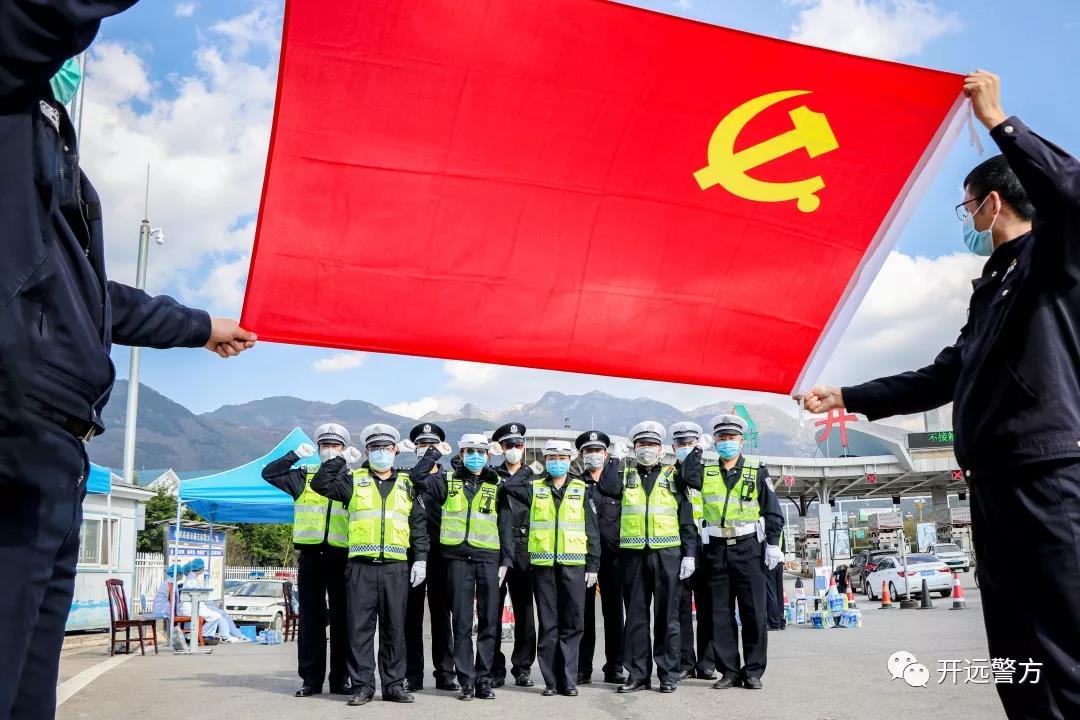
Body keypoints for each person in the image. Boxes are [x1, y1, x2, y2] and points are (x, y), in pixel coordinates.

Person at [796, 70, 1080, 719]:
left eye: (966, 207)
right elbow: (939, 376)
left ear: (992, 204)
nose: (967, 221)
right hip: (994, 485)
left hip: (1046, 476)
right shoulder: (991, 290)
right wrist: (846, 395)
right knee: (1016, 649)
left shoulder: (1051, 261)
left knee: (1063, 638)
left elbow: (1071, 193)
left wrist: (1000, 123)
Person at [0, 6, 257, 718]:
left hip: (56, 447)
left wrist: (201, 326)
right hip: (13, 432)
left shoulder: (51, 186)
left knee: (27, 691)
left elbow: (98, 297)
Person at [311, 424, 428, 706]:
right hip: (360, 568)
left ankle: (393, 685)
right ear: (366, 452)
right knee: (359, 630)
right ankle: (362, 686)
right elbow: (320, 484)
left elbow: (418, 526)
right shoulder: (353, 479)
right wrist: (340, 459)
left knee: (394, 630)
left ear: (395, 450)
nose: (380, 453)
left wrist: (421, 560)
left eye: (386, 448)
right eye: (375, 448)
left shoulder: (408, 483)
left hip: (395, 567)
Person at [599, 421, 700, 694]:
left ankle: (668, 673)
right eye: (642, 444)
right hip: (633, 556)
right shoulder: (625, 475)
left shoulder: (673, 476)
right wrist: (615, 457)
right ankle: (638, 674)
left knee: (668, 617)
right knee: (636, 618)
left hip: (667, 554)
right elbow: (606, 487)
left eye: (652, 445)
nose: (647, 449)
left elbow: (686, 519)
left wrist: (689, 555)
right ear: (634, 448)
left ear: (661, 449)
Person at [412, 434, 512, 701]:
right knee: (462, 622)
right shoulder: (447, 481)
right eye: (470, 452)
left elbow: (505, 524)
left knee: (489, 621)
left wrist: (506, 560)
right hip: (456, 559)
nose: (475, 457)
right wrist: (434, 453)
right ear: (461, 454)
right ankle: (466, 680)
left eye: (480, 452)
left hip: (488, 558)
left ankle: (484, 680)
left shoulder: (497, 483)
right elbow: (417, 477)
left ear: (488, 455)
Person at [501, 440, 601, 697]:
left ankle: (568, 679)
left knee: (573, 623)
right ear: (545, 460)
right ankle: (551, 681)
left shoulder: (581, 488)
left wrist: (593, 565)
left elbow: (592, 529)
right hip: (543, 566)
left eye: (562, 458)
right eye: (552, 458)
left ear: (570, 460)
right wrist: (528, 468)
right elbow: (509, 486)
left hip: (574, 565)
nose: (557, 462)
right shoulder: (534, 488)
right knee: (549, 624)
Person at [261, 424, 352, 697]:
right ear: (318, 448)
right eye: (325, 445)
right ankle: (311, 680)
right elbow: (270, 473)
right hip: (311, 557)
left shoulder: (352, 478)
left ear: (344, 450)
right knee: (311, 621)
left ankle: (341, 679)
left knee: (343, 621)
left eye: (335, 446)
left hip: (342, 557)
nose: (329, 450)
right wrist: (294, 455)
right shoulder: (304, 476)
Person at [698, 415, 783, 691]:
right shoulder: (705, 471)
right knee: (720, 614)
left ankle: (754, 670)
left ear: (741, 441)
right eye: (722, 438)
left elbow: (772, 511)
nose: (727, 443)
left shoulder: (757, 470)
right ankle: (730, 671)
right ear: (715, 442)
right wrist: (696, 450)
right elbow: (685, 477)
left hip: (749, 548)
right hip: (715, 549)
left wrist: (773, 544)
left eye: (732, 438)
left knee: (754, 612)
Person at [402, 422, 458, 692]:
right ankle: (412, 675)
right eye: (422, 445)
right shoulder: (406, 478)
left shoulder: (449, 479)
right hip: (411, 552)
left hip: (441, 553)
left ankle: (445, 673)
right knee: (411, 616)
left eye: (432, 445)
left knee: (442, 616)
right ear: (415, 449)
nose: (427, 449)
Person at [574, 430, 627, 685]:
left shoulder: (617, 482)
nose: (593, 455)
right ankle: (583, 667)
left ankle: (615, 666)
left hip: (614, 558)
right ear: (581, 455)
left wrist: (615, 464)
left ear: (606, 454)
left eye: (597, 450)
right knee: (583, 615)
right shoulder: (577, 484)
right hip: (585, 558)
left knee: (614, 614)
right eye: (588, 451)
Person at [491, 422, 538, 688]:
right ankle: (494, 668)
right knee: (492, 611)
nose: (513, 449)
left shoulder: (534, 477)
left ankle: (523, 667)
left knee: (525, 611)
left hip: (523, 547)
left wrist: (520, 476)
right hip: (496, 547)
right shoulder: (490, 474)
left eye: (518, 445)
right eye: (508, 445)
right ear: (500, 448)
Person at [669, 421, 716, 681]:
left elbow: (693, 478)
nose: (685, 447)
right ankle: (685, 661)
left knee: (708, 607)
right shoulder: (669, 474)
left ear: (698, 445)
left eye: (690, 443)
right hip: (678, 548)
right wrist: (694, 455)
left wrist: (696, 457)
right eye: (681, 444)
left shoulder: (708, 473)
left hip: (706, 546)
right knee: (681, 609)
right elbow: (684, 476)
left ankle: (707, 661)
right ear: (673, 447)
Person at [765, 529, 787, 631]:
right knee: (779, 593)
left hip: (770, 561)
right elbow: (783, 547)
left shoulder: (766, 526)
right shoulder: (780, 529)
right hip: (780, 560)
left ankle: (774, 622)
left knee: (771, 592)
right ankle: (781, 621)